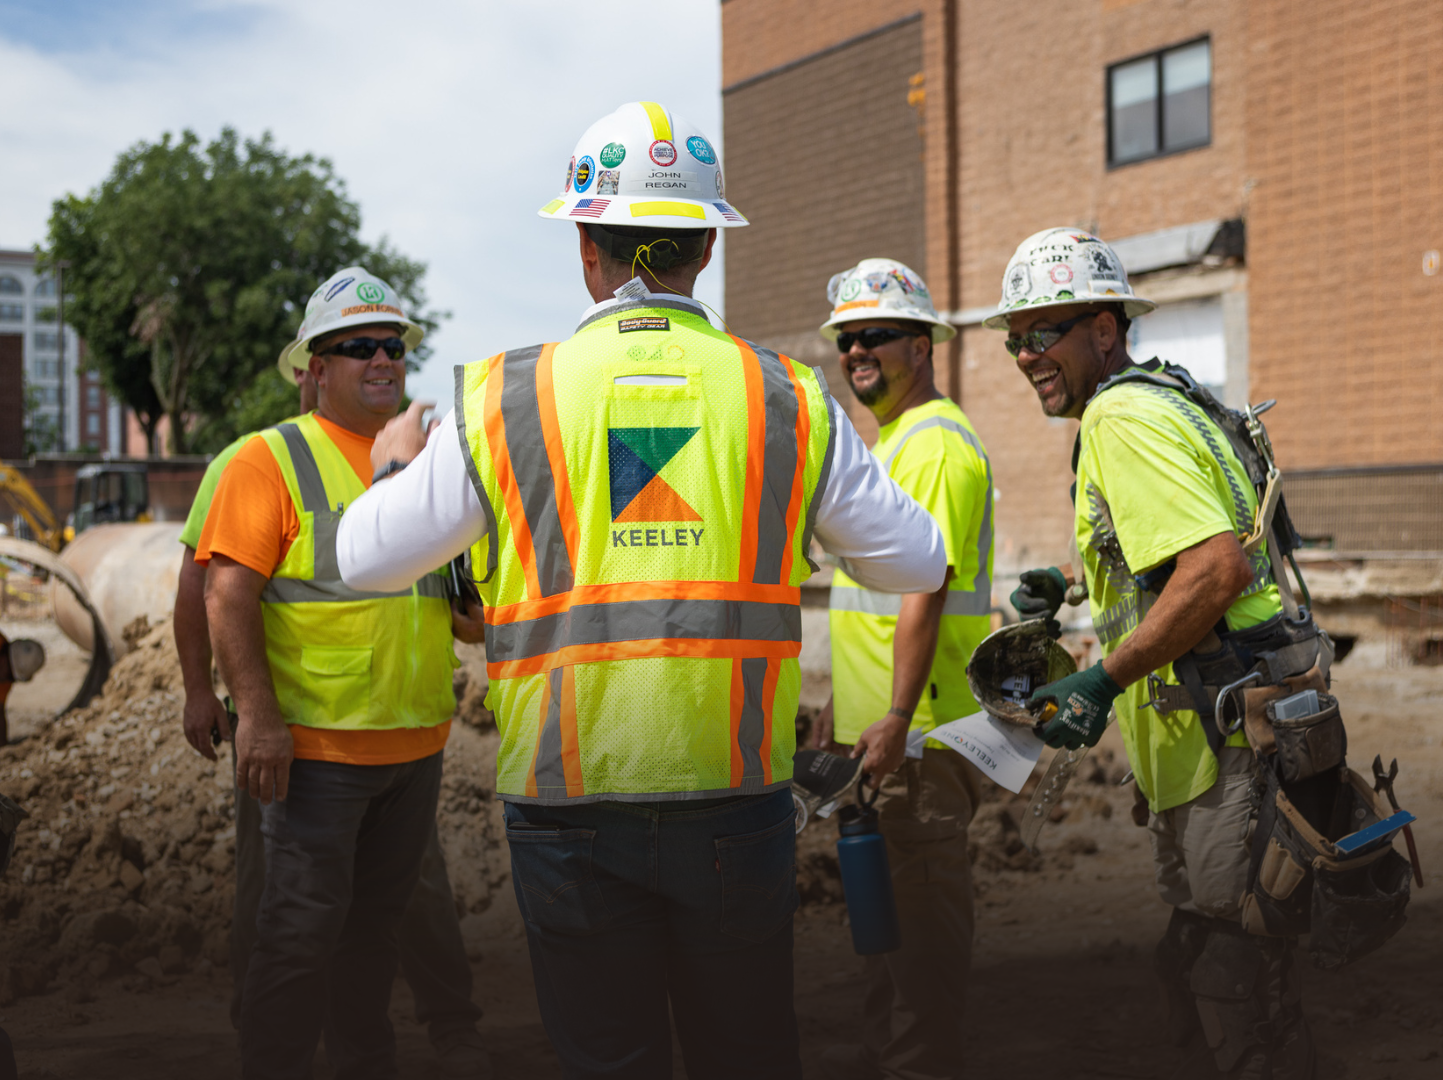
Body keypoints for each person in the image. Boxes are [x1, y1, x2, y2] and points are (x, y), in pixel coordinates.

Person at [333, 101, 946, 1080]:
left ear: (586, 247)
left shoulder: (501, 397)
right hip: (735, 798)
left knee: (606, 1060)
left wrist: (394, 463)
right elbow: (918, 562)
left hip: (566, 804)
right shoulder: (787, 396)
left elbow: (363, 559)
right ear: (704, 246)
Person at [993, 228, 1317, 1078]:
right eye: (1012, 337)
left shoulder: (1117, 417)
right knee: (1216, 954)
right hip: (1227, 734)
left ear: (1105, 329)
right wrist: (1070, 581)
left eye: (1043, 331)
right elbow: (1169, 547)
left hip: (1222, 746)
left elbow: (1214, 568)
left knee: (1230, 968)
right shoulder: (1166, 397)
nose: (1025, 354)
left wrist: (1100, 679)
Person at [197, 266, 488, 1080]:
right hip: (317, 753)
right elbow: (224, 593)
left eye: (392, 345)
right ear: (314, 370)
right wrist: (254, 716)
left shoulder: (430, 462)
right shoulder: (268, 460)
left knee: (371, 943)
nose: (382, 359)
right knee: (294, 938)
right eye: (356, 347)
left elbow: (454, 601)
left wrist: (479, 615)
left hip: (414, 745)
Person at [809, 259, 992, 1080]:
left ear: (920, 347)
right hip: (884, 735)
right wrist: (846, 715)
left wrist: (891, 717)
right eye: (845, 340)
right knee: (886, 939)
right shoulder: (892, 447)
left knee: (920, 950)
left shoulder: (939, 448)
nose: (855, 352)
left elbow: (925, 592)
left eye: (872, 336)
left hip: (919, 738)